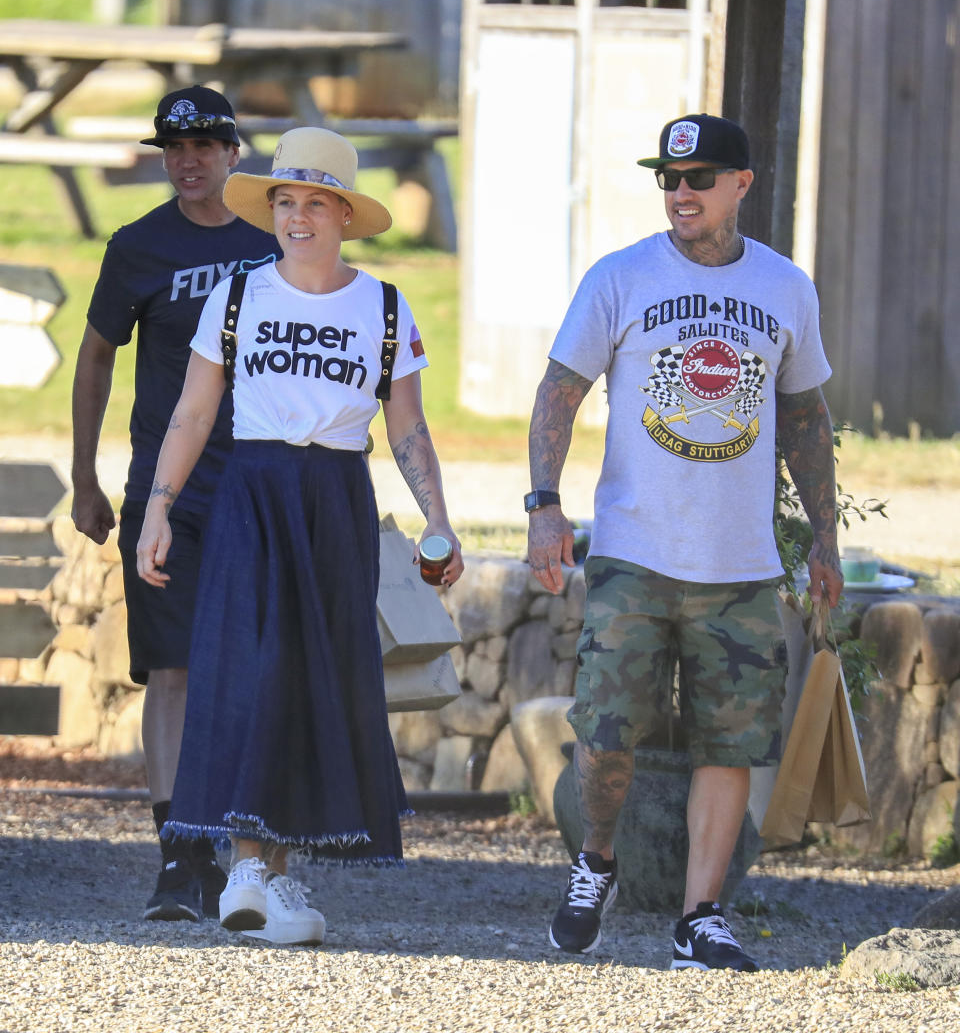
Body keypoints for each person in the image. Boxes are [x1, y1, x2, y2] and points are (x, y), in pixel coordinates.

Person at [526, 113, 843, 971]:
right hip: (634, 551)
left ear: (743, 185)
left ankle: (700, 918)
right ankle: (596, 860)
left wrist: (824, 535)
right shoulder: (620, 277)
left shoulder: (786, 289)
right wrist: (544, 506)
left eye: (700, 178)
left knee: (730, 744)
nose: (680, 193)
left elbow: (806, 416)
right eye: (668, 179)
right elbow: (560, 391)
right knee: (607, 733)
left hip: (740, 564)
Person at [135, 126, 464, 946]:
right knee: (251, 669)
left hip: (333, 496)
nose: (298, 217)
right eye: (286, 200)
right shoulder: (239, 297)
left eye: (316, 202)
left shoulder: (384, 306)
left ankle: (272, 877)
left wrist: (439, 518)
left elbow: (409, 430)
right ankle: (248, 867)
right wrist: (157, 509)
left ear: (345, 215)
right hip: (251, 491)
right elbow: (194, 411)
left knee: (311, 678)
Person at [71, 86, 279, 923]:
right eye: (173, 147)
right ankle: (179, 857)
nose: (188, 160)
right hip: (169, 492)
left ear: (236, 153)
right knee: (173, 669)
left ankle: (254, 856)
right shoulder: (137, 247)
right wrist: (84, 477)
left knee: (263, 668)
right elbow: (94, 360)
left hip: (265, 486)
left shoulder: (277, 239)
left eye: (205, 144)